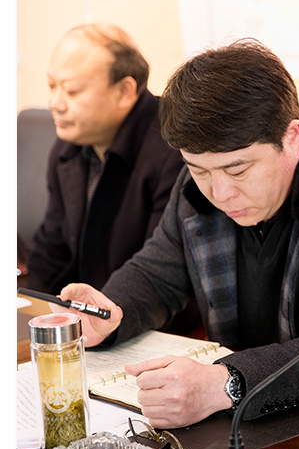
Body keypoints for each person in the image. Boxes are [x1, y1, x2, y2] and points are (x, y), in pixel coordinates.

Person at [58, 38, 299, 429]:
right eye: (199, 170)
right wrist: (111, 311)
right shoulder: (204, 177)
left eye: (239, 170)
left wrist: (226, 383)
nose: (220, 193)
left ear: (293, 139)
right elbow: (157, 273)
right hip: (256, 415)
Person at [26, 23, 184, 295]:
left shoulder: (172, 149)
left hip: (141, 311)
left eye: (72, 91)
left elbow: (160, 273)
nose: (55, 103)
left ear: (124, 92)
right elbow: (51, 250)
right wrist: (30, 310)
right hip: (81, 309)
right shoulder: (69, 147)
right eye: (52, 86)